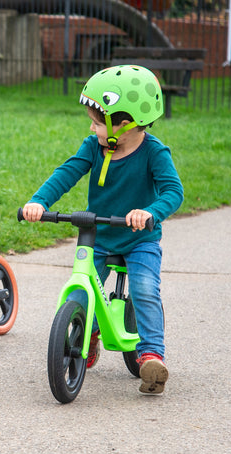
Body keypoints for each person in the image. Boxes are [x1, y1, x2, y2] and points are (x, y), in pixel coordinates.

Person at [22, 65, 183, 394]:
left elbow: (173, 192)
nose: (91, 126)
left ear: (124, 124)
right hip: (99, 234)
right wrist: (39, 201)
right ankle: (86, 332)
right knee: (80, 291)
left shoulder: (154, 153)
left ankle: (151, 355)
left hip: (140, 239)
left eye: (97, 121)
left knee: (144, 289)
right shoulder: (93, 146)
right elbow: (68, 172)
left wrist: (149, 212)